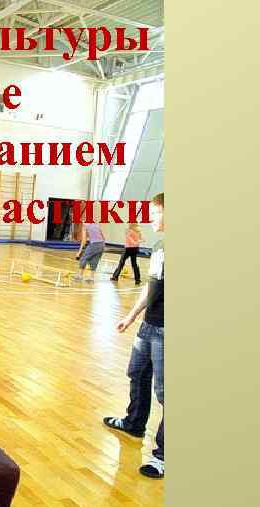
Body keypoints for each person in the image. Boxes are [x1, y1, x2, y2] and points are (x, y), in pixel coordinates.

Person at [103, 192, 165, 479]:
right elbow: (152, 287)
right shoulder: (161, 245)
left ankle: (162, 456)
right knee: (137, 373)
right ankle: (134, 423)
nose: (151, 217)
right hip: (149, 325)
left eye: (156, 212)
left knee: (165, 392)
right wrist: (130, 317)